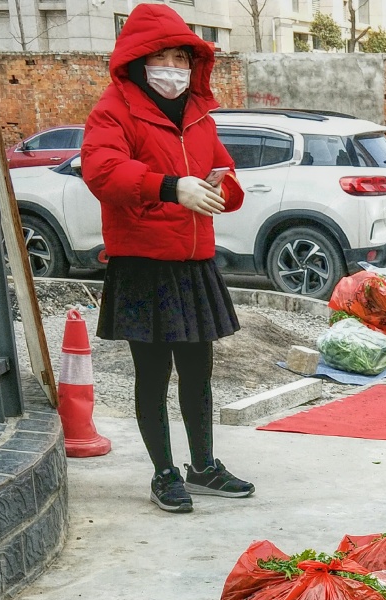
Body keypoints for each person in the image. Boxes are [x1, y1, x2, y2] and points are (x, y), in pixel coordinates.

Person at [81, 4, 253, 514]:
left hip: (194, 258)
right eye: (164, 56)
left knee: (199, 370)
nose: (174, 66)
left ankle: (203, 465)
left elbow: (222, 166)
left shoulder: (198, 112)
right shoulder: (113, 109)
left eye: (182, 56)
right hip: (143, 263)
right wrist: (170, 187)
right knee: (152, 374)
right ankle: (164, 473)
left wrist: (227, 189)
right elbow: (102, 171)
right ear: (138, 60)